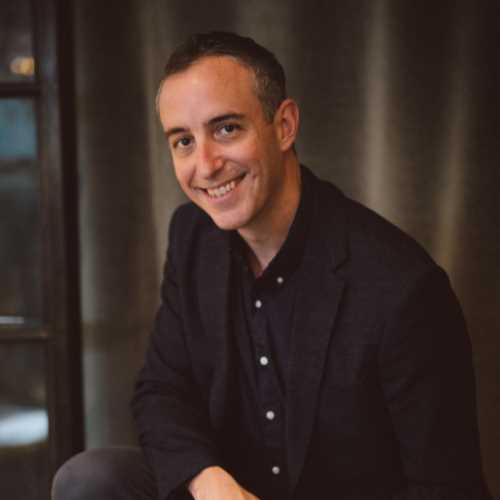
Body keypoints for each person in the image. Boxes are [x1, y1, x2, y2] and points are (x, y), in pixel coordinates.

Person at [52, 31, 492, 500]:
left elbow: (447, 489)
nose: (205, 165)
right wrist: (207, 479)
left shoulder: (402, 286)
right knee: (89, 480)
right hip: (232, 492)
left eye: (226, 129)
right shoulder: (192, 236)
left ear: (284, 125)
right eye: (183, 141)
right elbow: (163, 391)